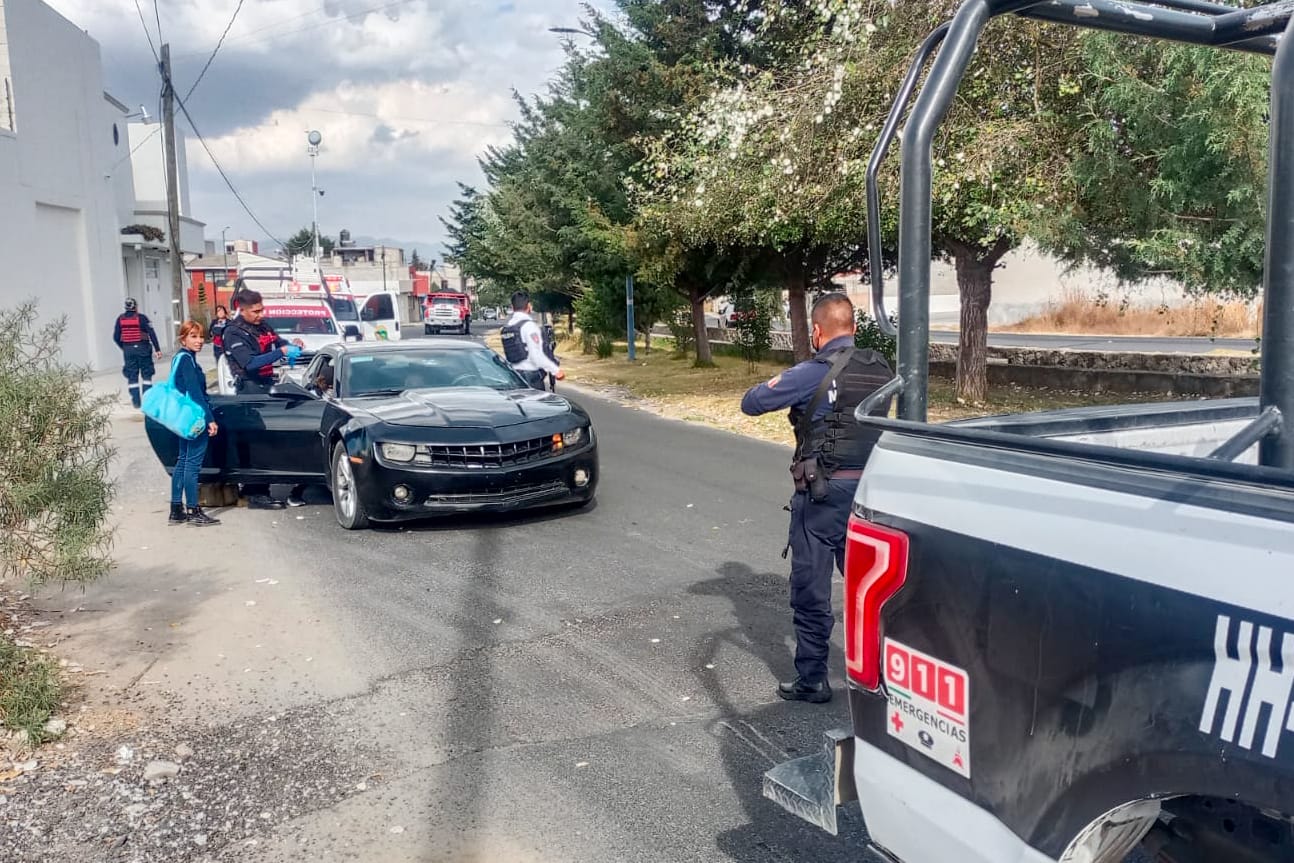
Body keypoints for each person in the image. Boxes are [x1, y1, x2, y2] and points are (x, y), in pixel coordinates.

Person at [740, 293, 895, 704]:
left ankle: (812, 679)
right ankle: (885, 679)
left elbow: (752, 403)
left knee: (811, 590)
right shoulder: (881, 369)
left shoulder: (813, 371)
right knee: (871, 590)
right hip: (873, 495)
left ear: (817, 331)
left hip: (823, 495)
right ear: (854, 329)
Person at [222, 288, 302, 509]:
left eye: (262, 309)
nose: (260, 314)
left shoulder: (262, 325)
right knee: (255, 441)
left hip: (267, 386)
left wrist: (290, 344)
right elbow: (250, 363)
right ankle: (254, 493)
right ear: (242, 309)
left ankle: (263, 485)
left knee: (269, 439)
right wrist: (281, 352)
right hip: (249, 389)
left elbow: (276, 341)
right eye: (256, 311)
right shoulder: (233, 332)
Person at [168, 321, 221, 527]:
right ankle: (193, 510)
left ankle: (176, 510)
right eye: (193, 336)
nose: (199, 341)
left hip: (180, 417)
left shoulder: (179, 358)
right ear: (183, 339)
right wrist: (210, 419)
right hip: (193, 417)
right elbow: (195, 393)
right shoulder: (187, 361)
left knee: (182, 461)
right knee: (192, 464)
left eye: (200, 336)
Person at [288, 365, 334, 508]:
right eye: (330, 386)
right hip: (316, 432)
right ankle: (295, 493)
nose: (331, 389)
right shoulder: (312, 394)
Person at [500, 291, 564, 390]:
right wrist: (555, 371)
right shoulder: (528, 326)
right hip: (530, 377)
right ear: (529, 306)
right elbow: (536, 355)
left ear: (512, 308)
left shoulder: (507, 328)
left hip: (515, 376)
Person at [113, 298, 162, 409]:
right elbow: (151, 333)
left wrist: (124, 347)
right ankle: (146, 400)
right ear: (135, 307)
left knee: (132, 375)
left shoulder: (120, 319)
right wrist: (157, 349)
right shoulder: (142, 318)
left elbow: (116, 337)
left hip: (128, 350)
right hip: (143, 349)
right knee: (146, 374)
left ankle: (136, 401)